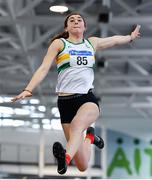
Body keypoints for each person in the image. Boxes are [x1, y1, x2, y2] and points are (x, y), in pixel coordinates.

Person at [11, 12, 141, 175]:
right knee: (82, 164)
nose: (76, 21)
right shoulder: (59, 44)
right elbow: (44, 68)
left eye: (79, 20)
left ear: (84, 27)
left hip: (87, 99)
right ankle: (90, 137)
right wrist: (28, 89)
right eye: (71, 20)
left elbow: (113, 40)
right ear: (67, 27)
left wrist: (130, 37)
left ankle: (64, 159)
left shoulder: (91, 43)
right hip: (65, 102)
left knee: (77, 126)